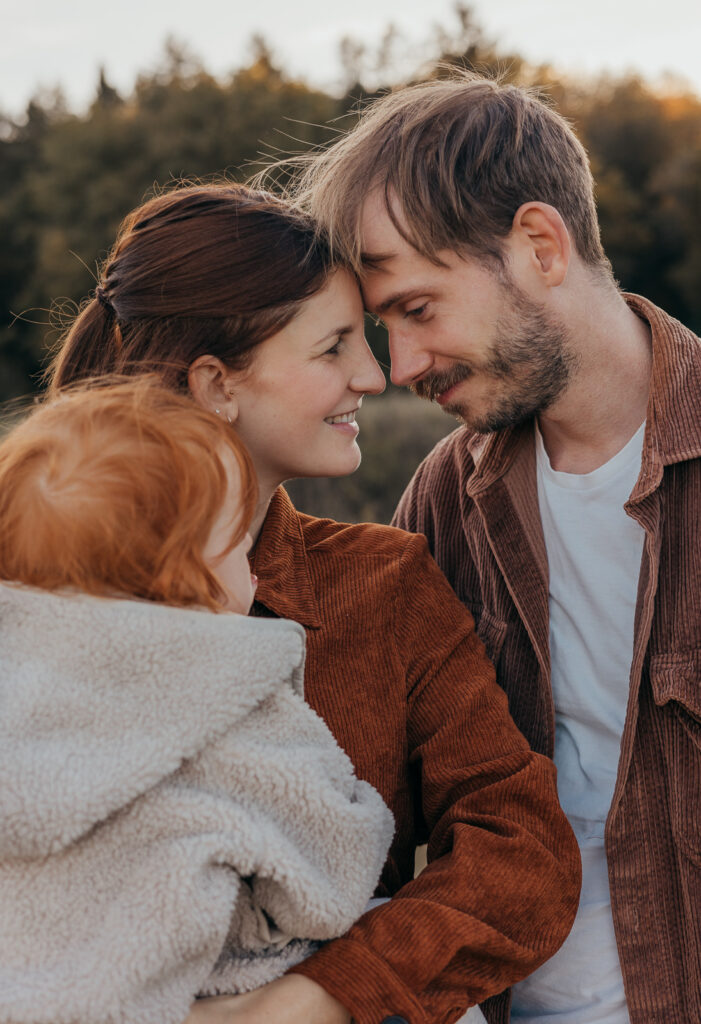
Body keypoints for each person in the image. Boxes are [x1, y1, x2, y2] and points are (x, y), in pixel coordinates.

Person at [47, 182, 580, 1024]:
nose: (374, 373)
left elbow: (522, 851)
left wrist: (321, 996)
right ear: (218, 383)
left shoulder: (384, 584)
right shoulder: (32, 603)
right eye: (333, 347)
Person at [291, 70, 701, 1024]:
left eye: (419, 310)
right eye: (381, 326)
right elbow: (364, 821)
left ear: (539, 246)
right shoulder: (443, 500)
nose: (400, 370)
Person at [0, 377, 395, 1024]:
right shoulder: (223, 685)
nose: (253, 561)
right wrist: (364, 819)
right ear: (185, 582)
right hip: (211, 985)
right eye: (238, 544)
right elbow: (330, 868)